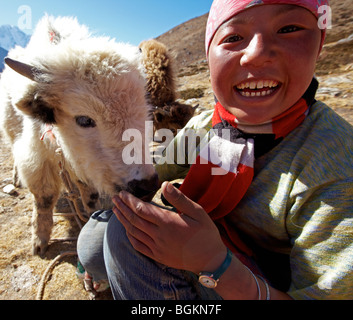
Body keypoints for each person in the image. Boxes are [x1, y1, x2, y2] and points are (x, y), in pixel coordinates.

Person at [77, 0, 353, 300]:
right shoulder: (210, 124)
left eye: (288, 29)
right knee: (95, 236)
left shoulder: (338, 169)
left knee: (123, 237)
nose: (256, 54)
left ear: (319, 45)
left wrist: (214, 265)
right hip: (215, 241)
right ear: (210, 56)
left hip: (258, 286)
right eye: (234, 38)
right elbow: (158, 172)